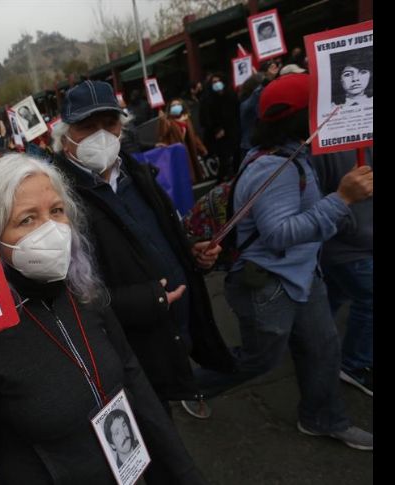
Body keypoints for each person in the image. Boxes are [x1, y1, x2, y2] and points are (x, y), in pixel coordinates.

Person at [0, 153, 207, 485]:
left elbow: (134, 380)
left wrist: (184, 472)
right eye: (27, 219)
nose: (50, 229)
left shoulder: (85, 291)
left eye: (56, 211)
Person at [188, 73, 373, 450]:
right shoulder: (274, 168)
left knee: (323, 349)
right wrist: (342, 199)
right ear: (300, 119)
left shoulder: (295, 155)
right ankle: (186, 386)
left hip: (305, 277)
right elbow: (279, 234)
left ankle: (322, 418)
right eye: (319, 110)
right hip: (270, 285)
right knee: (258, 360)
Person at [50, 80, 235, 419]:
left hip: (174, 332)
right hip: (127, 351)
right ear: (65, 137)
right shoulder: (57, 200)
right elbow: (71, 297)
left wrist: (192, 252)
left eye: (109, 124)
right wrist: (146, 300)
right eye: (87, 127)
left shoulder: (138, 174)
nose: (101, 135)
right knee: (154, 435)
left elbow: (162, 234)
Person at [312, 148, 373, 397]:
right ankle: (353, 364)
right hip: (347, 245)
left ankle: (312, 345)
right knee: (368, 299)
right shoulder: (330, 141)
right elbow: (316, 199)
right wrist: (347, 224)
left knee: (335, 292)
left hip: (357, 240)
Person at [156, 98, 208, 184]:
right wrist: (162, 120)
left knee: (191, 178)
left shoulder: (186, 119)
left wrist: (201, 148)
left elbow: (193, 136)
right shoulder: (167, 121)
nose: (175, 107)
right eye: (173, 105)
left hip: (187, 152)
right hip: (175, 154)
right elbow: (162, 135)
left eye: (177, 105)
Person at [200, 73, 240, 180]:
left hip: (233, 133)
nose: (217, 84)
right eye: (214, 82)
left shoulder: (231, 95)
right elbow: (204, 119)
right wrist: (216, 129)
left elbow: (236, 113)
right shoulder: (207, 99)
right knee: (224, 161)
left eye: (218, 81)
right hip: (218, 136)